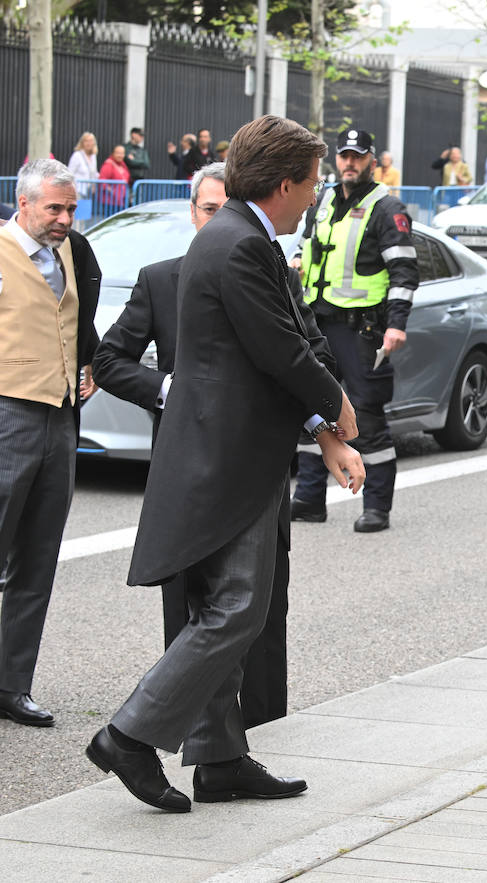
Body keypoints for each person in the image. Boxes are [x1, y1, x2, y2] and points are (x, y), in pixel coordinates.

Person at [86, 115, 364, 814]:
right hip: (224, 461)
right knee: (237, 607)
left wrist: (321, 427)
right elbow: (280, 349)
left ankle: (218, 757)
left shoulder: (239, 236)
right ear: (282, 184)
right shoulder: (239, 243)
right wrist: (337, 406)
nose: (315, 194)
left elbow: (265, 353)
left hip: (231, 453)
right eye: (310, 181)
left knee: (227, 606)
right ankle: (128, 733)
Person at [92, 162, 319, 729]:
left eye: (229, 208)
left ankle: (255, 739)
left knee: (262, 614)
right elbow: (109, 361)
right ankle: (178, 739)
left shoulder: (277, 277)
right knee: (200, 615)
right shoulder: (162, 279)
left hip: (259, 472)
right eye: (209, 210)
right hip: (193, 473)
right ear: (192, 214)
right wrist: (172, 390)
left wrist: (325, 420)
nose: (221, 220)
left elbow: (311, 357)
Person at [0, 159, 101, 727]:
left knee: (37, 562)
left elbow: (77, 324)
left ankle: (13, 686)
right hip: (6, 413)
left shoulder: (72, 252)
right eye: (54, 208)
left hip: (60, 419)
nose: (66, 218)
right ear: (24, 203)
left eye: (71, 207)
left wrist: (89, 364)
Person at [292, 128, 419, 534]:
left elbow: (404, 272)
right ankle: (310, 499)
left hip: (361, 330)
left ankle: (376, 507)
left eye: (357, 156)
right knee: (311, 409)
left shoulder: (387, 208)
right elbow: (304, 249)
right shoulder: (323, 200)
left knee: (366, 416)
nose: (349, 163)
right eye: (344, 156)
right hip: (317, 323)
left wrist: (396, 325)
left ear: (371, 161)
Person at [98, 144, 131, 211]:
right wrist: (113, 192)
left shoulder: (123, 165)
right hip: (110, 201)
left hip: (121, 201)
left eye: (122, 153)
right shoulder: (108, 165)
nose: (120, 155)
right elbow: (102, 181)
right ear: (113, 153)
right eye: (118, 153)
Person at [67, 132, 99, 197]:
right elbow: (69, 172)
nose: (89, 143)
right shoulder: (77, 155)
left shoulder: (93, 156)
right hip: (78, 190)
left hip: (88, 191)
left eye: (91, 141)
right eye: (86, 141)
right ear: (82, 143)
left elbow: (94, 172)